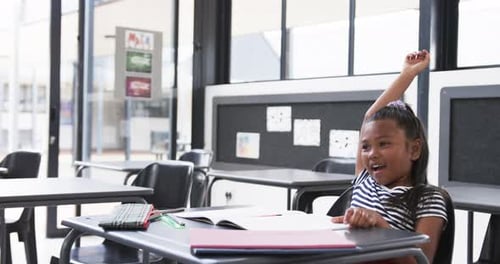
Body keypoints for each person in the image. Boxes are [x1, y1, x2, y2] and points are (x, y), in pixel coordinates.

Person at [332, 50, 449, 264]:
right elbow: (369, 117)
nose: (372, 153)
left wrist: (381, 228)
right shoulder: (364, 180)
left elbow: (420, 261)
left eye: (384, 144)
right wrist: (407, 74)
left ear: (414, 150)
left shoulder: (429, 199)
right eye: (365, 147)